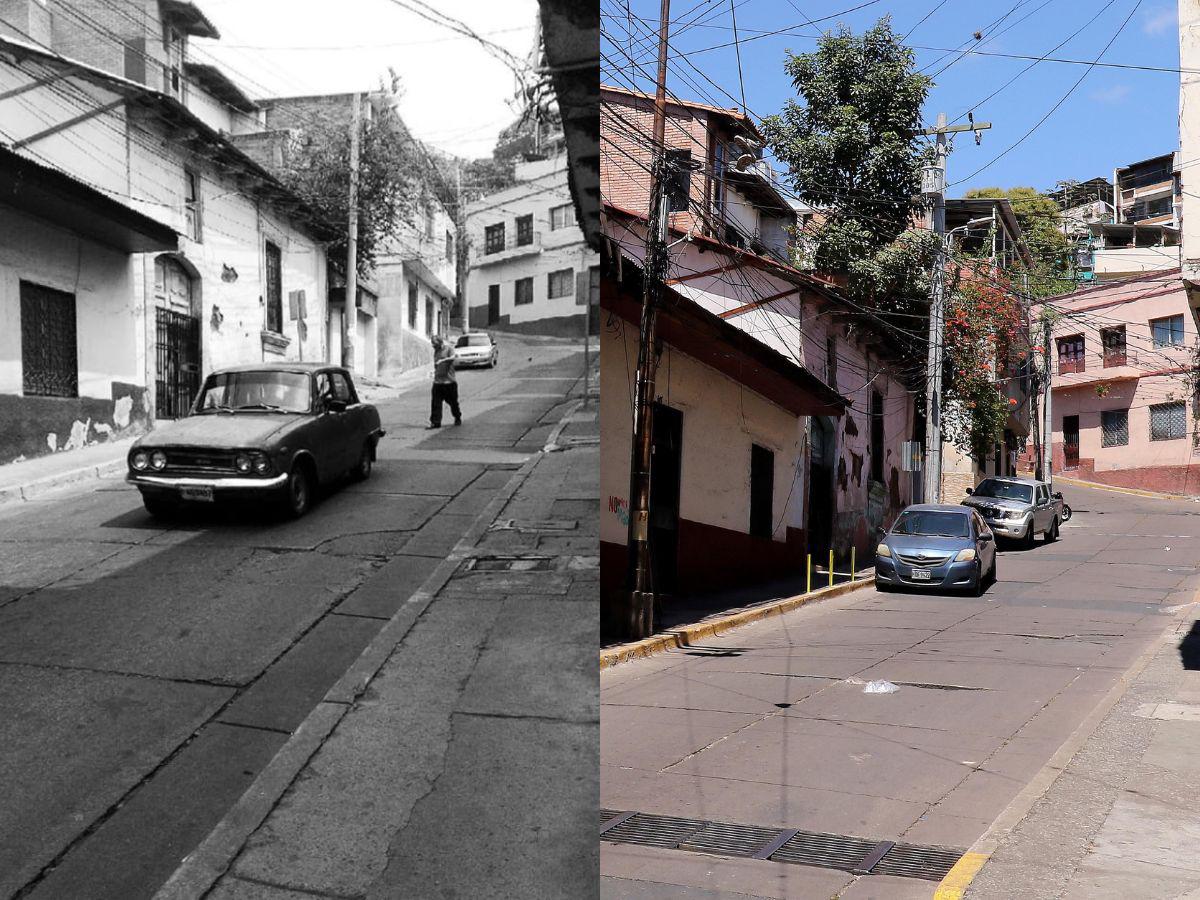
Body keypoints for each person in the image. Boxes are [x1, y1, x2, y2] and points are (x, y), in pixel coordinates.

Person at [428, 335, 461, 428]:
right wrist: (434, 371)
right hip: (438, 382)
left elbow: (453, 357)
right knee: (436, 403)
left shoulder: (449, 349)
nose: (433, 346)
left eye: (434, 344)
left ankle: (457, 416)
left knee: (453, 402)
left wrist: (442, 361)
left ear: (440, 343)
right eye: (432, 344)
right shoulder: (436, 352)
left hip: (449, 382)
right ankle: (436, 422)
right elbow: (436, 365)